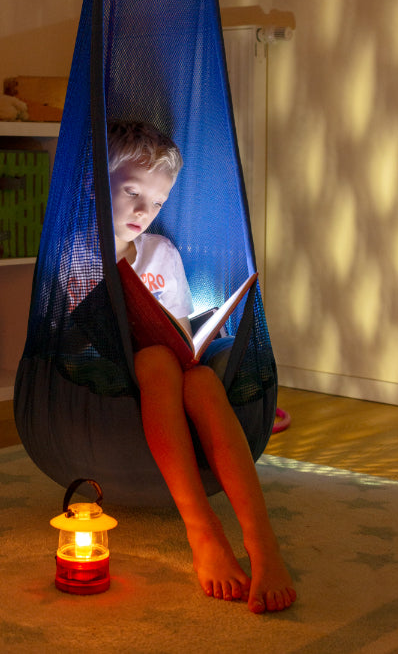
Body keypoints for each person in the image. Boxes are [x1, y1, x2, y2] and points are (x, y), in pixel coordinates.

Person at [107, 119, 296, 614]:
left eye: (158, 202)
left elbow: (180, 327)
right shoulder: (77, 255)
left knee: (202, 378)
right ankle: (204, 533)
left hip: (171, 370)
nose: (144, 211)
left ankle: (261, 543)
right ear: (96, 181)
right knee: (153, 362)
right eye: (131, 192)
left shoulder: (160, 253)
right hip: (112, 377)